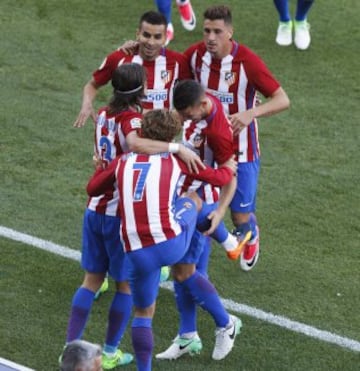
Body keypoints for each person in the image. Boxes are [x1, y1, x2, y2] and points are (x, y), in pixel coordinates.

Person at [64, 63, 202, 371]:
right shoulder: (131, 120)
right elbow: (137, 146)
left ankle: (69, 348)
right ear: (140, 90)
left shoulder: (102, 115)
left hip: (94, 208)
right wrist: (175, 148)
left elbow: (107, 155)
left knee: (91, 281)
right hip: (117, 214)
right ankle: (110, 351)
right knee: (124, 287)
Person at [86, 109, 240, 371]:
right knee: (195, 200)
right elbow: (218, 178)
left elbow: (92, 190)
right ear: (173, 135)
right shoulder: (177, 160)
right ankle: (225, 238)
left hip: (137, 252)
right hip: (171, 243)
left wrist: (100, 169)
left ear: (143, 133)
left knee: (143, 315)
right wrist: (228, 167)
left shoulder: (122, 162)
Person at [183, 5, 290, 272]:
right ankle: (183, 257)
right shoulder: (195, 56)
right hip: (203, 148)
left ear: (230, 32)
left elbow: (282, 99)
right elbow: (168, 63)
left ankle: (249, 232)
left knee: (239, 213)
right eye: (206, 30)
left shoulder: (248, 62)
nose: (210, 37)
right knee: (196, 203)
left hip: (242, 151)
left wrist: (250, 113)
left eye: (217, 31)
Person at [156, 80, 243, 362]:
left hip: (198, 203)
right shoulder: (199, 111)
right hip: (187, 196)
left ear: (202, 105)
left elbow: (230, 175)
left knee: (183, 272)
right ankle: (187, 336)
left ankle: (225, 323)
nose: (182, 118)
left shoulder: (217, 132)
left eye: (186, 113)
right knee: (190, 274)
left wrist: (218, 211)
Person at [73, 10, 191, 129]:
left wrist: (179, 117)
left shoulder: (178, 61)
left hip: (161, 133)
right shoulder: (118, 58)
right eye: (146, 35)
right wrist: (87, 104)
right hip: (124, 132)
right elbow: (92, 85)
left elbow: (192, 94)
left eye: (157, 37)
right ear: (138, 34)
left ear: (165, 38)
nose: (151, 42)